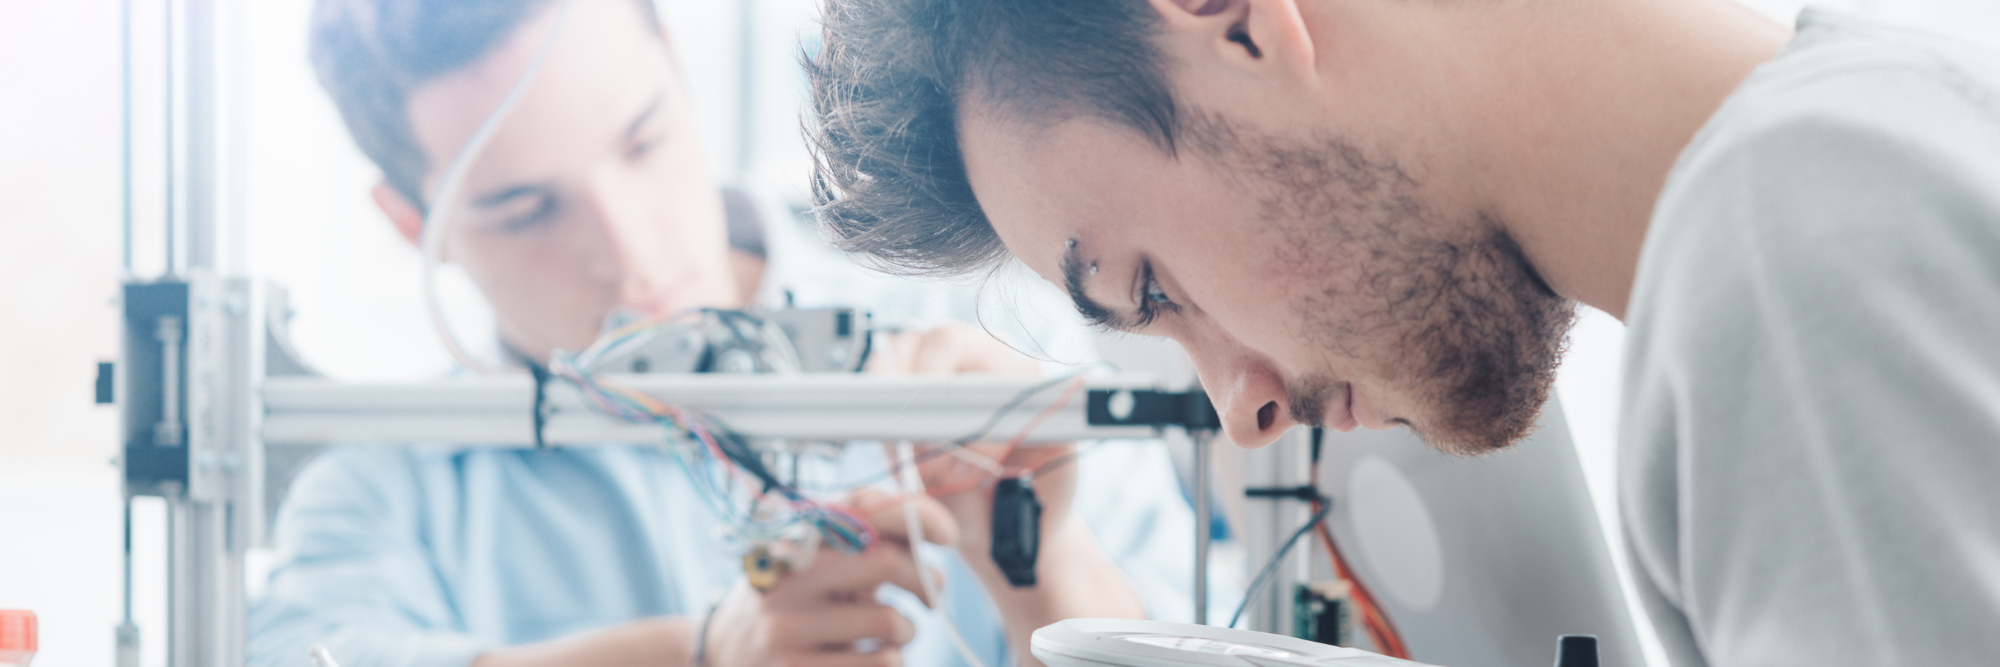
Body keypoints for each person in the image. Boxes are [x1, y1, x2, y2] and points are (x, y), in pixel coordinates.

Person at [803, 0, 2000, 665]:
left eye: (1152, 287)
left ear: (1236, 22)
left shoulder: (1795, 242)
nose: (1242, 409)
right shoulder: (1865, 146)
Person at [249, 1, 1237, 666]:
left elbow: (1218, 638)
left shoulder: (971, 331)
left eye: (642, 141)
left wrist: (1042, 556)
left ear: (677, 72)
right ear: (412, 225)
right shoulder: (382, 484)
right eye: (523, 208)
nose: (627, 251)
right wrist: (705, 650)